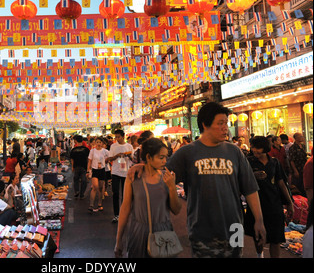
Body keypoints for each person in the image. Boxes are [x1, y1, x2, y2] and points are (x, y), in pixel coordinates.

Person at [166, 102, 266, 258]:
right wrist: (141, 167)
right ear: (205, 124)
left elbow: (250, 189)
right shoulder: (187, 152)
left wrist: (259, 220)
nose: (225, 127)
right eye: (220, 123)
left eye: (226, 123)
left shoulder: (235, 152)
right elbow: (160, 174)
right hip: (202, 229)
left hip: (235, 227)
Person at [115, 138, 181, 258]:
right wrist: (118, 240)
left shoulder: (167, 178)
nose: (165, 161)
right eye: (161, 157)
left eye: (166, 157)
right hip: (139, 234)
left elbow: (176, 210)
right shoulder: (133, 177)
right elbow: (125, 209)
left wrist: (172, 188)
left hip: (164, 234)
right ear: (149, 157)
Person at [245, 136, 294, 258]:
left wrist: (290, 202)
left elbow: (281, 182)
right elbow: (241, 180)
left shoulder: (274, 162)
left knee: (275, 238)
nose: (254, 150)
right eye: (253, 147)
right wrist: (253, 175)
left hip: (274, 203)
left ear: (265, 148)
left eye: (257, 148)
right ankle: (259, 254)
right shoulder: (248, 161)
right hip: (256, 203)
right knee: (258, 237)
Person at [107, 129, 134, 223]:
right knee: (115, 193)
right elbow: (109, 158)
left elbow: (133, 159)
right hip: (115, 172)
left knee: (124, 194)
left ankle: (123, 213)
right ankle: (116, 214)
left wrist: (129, 156)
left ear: (123, 136)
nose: (117, 138)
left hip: (126, 172)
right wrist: (117, 156)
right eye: (116, 137)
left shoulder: (129, 146)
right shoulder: (113, 146)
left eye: (118, 136)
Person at [87, 137, 110, 212]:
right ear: (95, 143)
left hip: (102, 170)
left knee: (100, 188)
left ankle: (100, 203)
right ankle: (91, 205)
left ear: (102, 143)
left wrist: (106, 161)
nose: (98, 144)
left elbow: (110, 158)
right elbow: (89, 161)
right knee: (95, 187)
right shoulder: (92, 151)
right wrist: (88, 170)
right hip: (95, 170)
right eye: (97, 142)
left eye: (100, 142)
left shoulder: (105, 151)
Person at [70, 135, 90, 200]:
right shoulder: (86, 149)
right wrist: (88, 168)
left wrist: (72, 167)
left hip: (77, 167)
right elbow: (88, 159)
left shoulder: (73, 150)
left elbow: (72, 159)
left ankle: (77, 191)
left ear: (75, 141)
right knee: (84, 180)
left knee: (76, 179)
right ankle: (81, 193)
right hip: (84, 166)